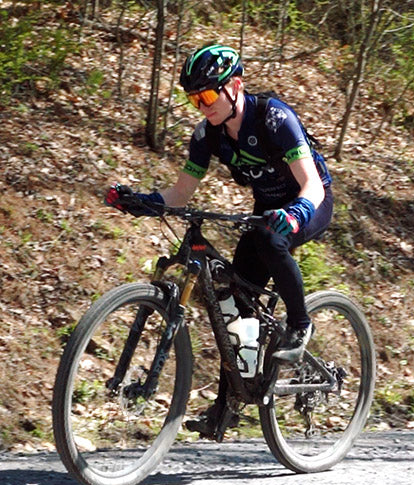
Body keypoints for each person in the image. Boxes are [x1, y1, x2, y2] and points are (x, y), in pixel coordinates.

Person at [106, 42, 334, 439]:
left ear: (236, 86)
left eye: (208, 94)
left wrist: (296, 214)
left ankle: (300, 324)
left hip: (309, 203)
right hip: (266, 212)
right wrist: (141, 202)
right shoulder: (207, 135)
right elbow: (179, 196)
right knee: (233, 301)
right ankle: (226, 407)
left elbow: (311, 183)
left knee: (268, 241)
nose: (202, 104)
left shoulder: (275, 118)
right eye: (194, 98)